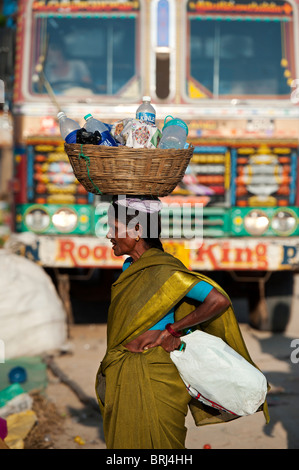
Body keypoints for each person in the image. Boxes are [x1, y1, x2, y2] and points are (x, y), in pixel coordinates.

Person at [95, 195, 269, 449]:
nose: (109, 234)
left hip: (156, 371)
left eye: (114, 226)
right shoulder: (129, 268)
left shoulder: (167, 270)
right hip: (124, 367)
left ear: (137, 230)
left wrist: (174, 329)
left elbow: (217, 300)